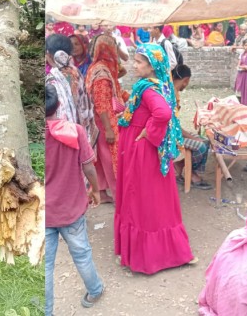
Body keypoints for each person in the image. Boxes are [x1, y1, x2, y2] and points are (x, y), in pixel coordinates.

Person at [114, 43, 194, 275]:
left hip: (144, 152)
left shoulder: (149, 89)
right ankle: (162, 251)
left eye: (139, 62)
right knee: (151, 198)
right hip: (141, 149)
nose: (135, 65)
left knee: (144, 199)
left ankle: (150, 255)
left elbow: (163, 113)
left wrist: (147, 131)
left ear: (152, 66)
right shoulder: (154, 85)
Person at [44, 84, 104, 315]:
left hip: (44, 214)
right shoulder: (75, 131)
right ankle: (95, 290)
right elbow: (88, 168)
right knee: (81, 254)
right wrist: (96, 190)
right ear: (58, 105)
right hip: (72, 209)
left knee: (46, 266)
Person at [85, 34, 127, 202]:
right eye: (114, 46)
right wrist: (109, 129)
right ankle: (119, 196)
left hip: (101, 120)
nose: (117, 50)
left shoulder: (101, 67)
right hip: (106, 122)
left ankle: (101, 192)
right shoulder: (102, 73)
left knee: (102, 158)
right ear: (108, 49)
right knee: (112, 159)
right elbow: (101, 103)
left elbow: (115, 90)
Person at [45, 34, 99, 147]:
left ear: (49, 54)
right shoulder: (75, 71)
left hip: (65, 137)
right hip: (82, 132)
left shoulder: (52, 80)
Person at [172, 65, 213, 190]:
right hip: (169, 136)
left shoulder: (174, 93)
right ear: (186, 80)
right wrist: (193, 138)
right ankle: (192, 174)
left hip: (174, 132)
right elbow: (174, 127)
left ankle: (182, 167)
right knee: (201, 146)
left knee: (205, 141)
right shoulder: (171, 95)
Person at [234, 38, 247, 105]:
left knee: (246, 89)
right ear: (243, 46)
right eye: (245, 45)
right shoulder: (241, 55)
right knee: (239, 88)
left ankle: (246, 103)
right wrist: (244, 67)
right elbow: (238, 66)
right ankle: (240, 103)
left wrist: (242, 66)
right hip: (241, 75)